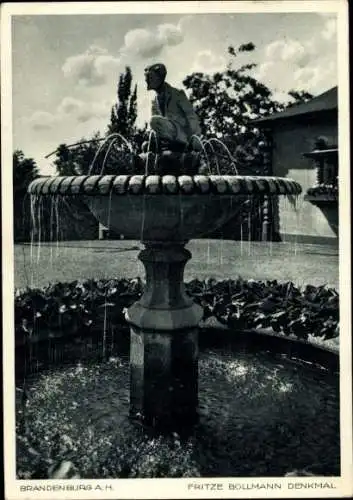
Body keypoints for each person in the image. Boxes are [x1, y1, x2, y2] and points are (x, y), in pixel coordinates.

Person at [144, 63, 202, 152]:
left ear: (160, 78)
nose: (146, 80)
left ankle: (181, 145)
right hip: (166, 137)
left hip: (181, 135)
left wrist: (196, 138)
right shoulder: (154, 101)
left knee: (154, 120)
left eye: (150, 77)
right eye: (146, 77)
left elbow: (191, 116)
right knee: (145, 146)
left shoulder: (177, 94)